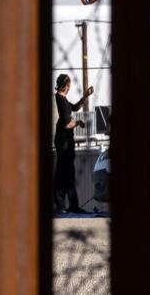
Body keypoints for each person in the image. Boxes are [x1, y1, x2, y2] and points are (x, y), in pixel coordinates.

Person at [54, 74, 94, 213]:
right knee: (65, 173)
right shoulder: (61, 100)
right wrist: (78, 123)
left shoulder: (62, 99)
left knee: (66, 173)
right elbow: (66, 124)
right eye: (69, 86)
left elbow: (75, 108)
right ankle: (66, 205)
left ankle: (67, 204)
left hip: (64, 142)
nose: (70, 88)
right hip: (64, 142)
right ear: (66, 86)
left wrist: (85, 96)